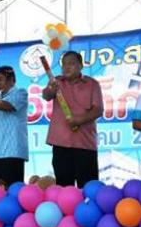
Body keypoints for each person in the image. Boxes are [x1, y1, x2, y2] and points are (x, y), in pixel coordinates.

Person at [43, 51, 103, 188]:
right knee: (63, 187)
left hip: (84, 143)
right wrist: (50, 89)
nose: (67, 67)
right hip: (61, 143)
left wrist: (79, 120)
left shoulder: (92, 84)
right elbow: (46, 95)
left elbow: (98, 110)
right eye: (64, 64)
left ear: (81, 66)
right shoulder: (56, 82)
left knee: (88, 187)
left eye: (71, 63)